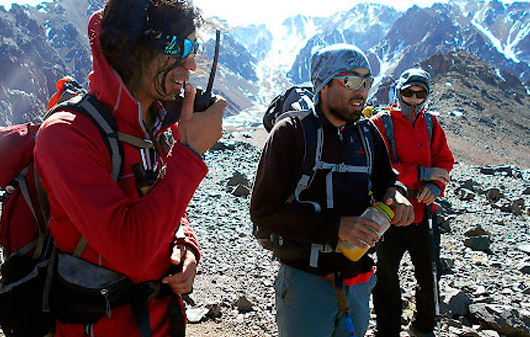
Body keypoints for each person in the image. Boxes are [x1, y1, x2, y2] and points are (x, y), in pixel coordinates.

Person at [34, 0, 226, 336]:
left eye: (195, 48)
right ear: (133, 47)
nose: (192, 64)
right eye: (180, 47)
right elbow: (131, 251)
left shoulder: (151, 124)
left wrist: (186, 244)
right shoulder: (66, 135)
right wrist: (191, 153)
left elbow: (165, 204)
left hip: (161, 321)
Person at [250, 44, 415, 337]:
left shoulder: (367, 133)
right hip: (306, 281)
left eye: (367, 82)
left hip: (359, 279)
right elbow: (263, 212)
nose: (362, 90)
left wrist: (397, 194)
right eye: (351, 81)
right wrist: (337, 227)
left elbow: (387, 181)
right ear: (323, 84)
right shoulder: (292, 132)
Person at [370, 68, 454, 337]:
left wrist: (434, 185)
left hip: (424, 213)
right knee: (386, 277)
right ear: (399, 92)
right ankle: (388, 330)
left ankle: (424, 326)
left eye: (421, 94)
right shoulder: (380, 123)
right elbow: (375, 168)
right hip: (389, 214)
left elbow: (445, 161)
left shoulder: (431, 124)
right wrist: (421, 174)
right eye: (409, 93)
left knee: (428, 275)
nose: (415, 99)